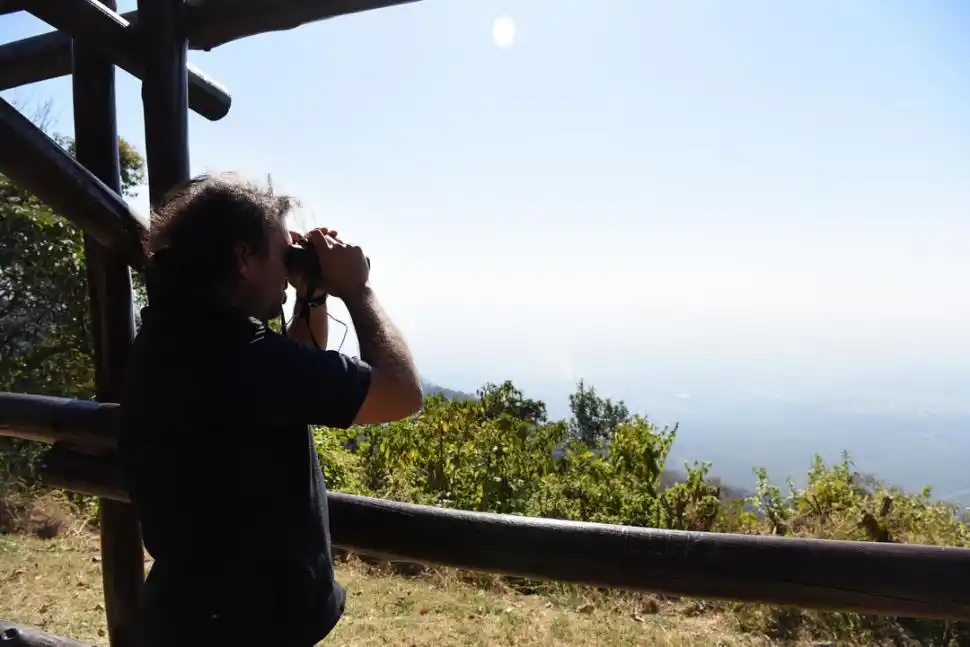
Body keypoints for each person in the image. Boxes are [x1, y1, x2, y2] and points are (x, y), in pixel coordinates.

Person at [117, 173, 423, 646]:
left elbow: (291, 376)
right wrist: (357, 290)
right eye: (282, 255)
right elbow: (401, 393)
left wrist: (312, 293)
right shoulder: (240, 357)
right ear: (243, 259)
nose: (287, 271)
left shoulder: (169, 335)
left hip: (185, 618)